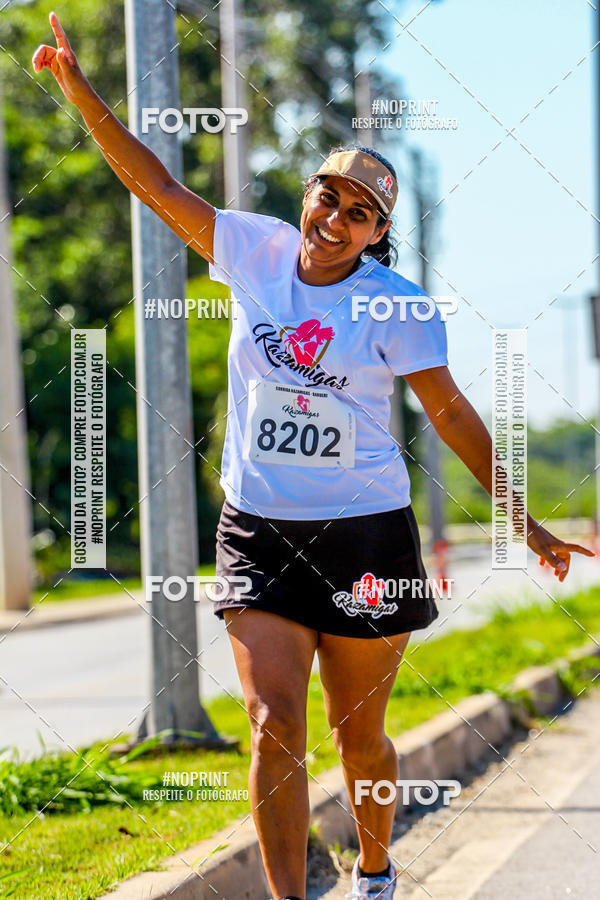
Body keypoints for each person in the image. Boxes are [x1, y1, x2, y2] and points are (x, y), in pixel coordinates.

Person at [33, 14, 594, 900]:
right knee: (270, 724)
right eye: (329, 198)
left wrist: (524, 522)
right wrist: (78, 90)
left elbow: (449, 416)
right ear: (307, 195)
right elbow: (153, 183)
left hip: (365, 533)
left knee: (359, 736)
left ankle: (374, 871)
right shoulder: (251, 249)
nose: (336, 220)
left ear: (377, 234)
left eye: (360, 213)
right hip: (257, 527)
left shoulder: (397, 307)